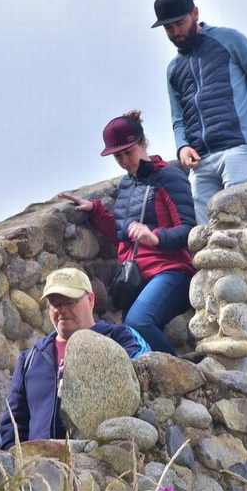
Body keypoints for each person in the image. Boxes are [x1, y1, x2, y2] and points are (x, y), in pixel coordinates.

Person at [58, 111, 196, 355]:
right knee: (130, 337)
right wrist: (96, 211)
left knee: (137, 323)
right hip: (135, 278)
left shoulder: (169, 177)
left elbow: (189, 230)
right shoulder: (126, 184)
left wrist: (156, 236)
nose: (123, 161)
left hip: (172, 272)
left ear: (143, 143)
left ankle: (181, 376)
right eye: (117, 156)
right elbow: (122, 237)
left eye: (128, 152)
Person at [152, 0, 247, 225]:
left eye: (179, 23)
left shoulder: (229, 39)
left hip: (240, 150)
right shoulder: (173, 69)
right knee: (205, 242)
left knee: (239, 229)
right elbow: (178, 118)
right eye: (168, 28)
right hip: (200, 162)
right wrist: (182, 146)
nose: (175, 32)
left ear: (195, 13)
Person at [0, 268, 150, 450]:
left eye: (69, 302)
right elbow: (13, 423)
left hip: (100, 463)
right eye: (54, 304)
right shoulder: (30, 358)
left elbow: (141, 371)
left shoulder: (121, 337)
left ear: (91, 300)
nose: (61, 310)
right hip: (40, 469)